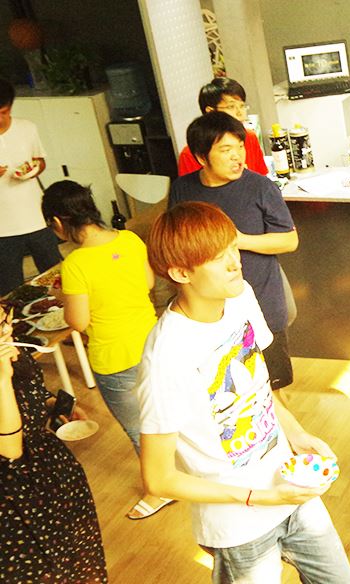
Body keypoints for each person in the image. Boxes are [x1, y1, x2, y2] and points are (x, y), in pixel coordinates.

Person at [137, 202, 350, 583]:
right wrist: (257, 497)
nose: (234, 263)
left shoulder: (240, 297)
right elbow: (158, 479)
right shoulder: (165, 357)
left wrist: (296, 434)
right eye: (216, 257)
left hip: (290, 486)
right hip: (238, 524)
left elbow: (257, 386)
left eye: (232, 248)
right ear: (180, 272)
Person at [41, 180, 172, 520]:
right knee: (167, 412)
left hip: (114, 359)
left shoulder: (75, 264)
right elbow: (147, 283)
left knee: (140, 429)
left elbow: (78, 321)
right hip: (154, 344)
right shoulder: (129, 239)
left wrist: (64, 298)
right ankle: (186, 471)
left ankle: (159, 491)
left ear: (58, 222)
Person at [169, 112, 298, 392]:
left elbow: (289, 241)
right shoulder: (183, 189)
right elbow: (176, 241)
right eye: (226, 150)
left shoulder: (260, 186)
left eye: (240, 146)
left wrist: (238, 240)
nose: (237, 156)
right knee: (226, 390)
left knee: (272, 388)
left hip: (262, 303)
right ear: (201, 157)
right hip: (209, 314)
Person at [1, 313, 108, 583]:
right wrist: (2, 379)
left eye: (5, 318)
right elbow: (10, 450)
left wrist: (53, 406)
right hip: (17, 496)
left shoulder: (10, 344)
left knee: (78, 552)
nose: (7, 328)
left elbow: (31, 388)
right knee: (47, 569)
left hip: (52, 472)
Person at [0, 78, 62, 296]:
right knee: (10, 288)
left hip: (36, 217)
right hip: (3, 228)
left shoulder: (27, 128)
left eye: (3, 112)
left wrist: (33, 170)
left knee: (55, 275)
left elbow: (39, 160)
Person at [177, 77, 268, 177]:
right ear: (210, 112)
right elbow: (190, 186)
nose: (240, 113)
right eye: (231, 107)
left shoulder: (250, 137)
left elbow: (262, 178)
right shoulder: (190, 154)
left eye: (242, 106)